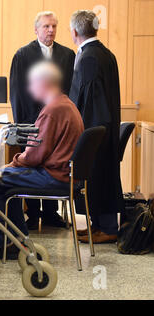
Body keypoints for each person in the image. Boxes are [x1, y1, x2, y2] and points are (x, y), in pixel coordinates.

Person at [0, 61, 84, 260]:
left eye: (32, 84)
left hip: (54, 177)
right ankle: (18, 240)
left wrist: (12, 163)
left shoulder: (52, 110)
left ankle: (5, 244)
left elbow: (34, 156)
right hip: (65, 176)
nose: (30, 89)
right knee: (5, 182)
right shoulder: (66, 104)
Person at [9, 11, 76, 229]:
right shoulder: (23, 54)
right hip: (30, 121)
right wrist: (22, 125)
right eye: (46, 26)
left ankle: (50, 213)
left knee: (52, 163)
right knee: (32, 162)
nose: (51, 30)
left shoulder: (67, 55)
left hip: (58, 122)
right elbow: (17, 92)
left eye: (54, 26)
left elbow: (70, 91)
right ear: (36, 29)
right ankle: (33, 213)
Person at [69, 10, 124, 244]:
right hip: (105, 126)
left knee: (99, 176)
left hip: (95, 129)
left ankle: (108, 227)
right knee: (101, 176)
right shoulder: (105, 53)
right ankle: (98, 225)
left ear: (74, 32)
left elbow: (90, 99)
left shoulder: (89, 57)